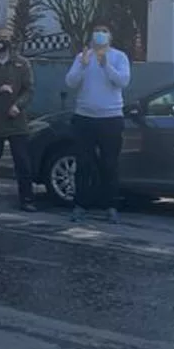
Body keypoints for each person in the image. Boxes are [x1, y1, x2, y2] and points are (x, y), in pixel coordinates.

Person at [65, 23, 131, 222]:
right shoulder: (82, 56)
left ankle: (110, 205)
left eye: (104, 32)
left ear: (110, 36)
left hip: (110, 118)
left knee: (109, 163)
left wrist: (105, 65)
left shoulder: (119, 57)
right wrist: (84, 66)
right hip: (84, 117)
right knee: (83, 163)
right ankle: (80, 204)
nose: (100, 35)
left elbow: (123, 81)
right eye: (97, 32)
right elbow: (70, 82)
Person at [0, 26, 38, 212]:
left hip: (16, 121)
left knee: (22, 162)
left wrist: (18, 106)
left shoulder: (21, 63)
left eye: (5, 37)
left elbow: (29, 90)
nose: (2, 40)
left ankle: (26, 199)